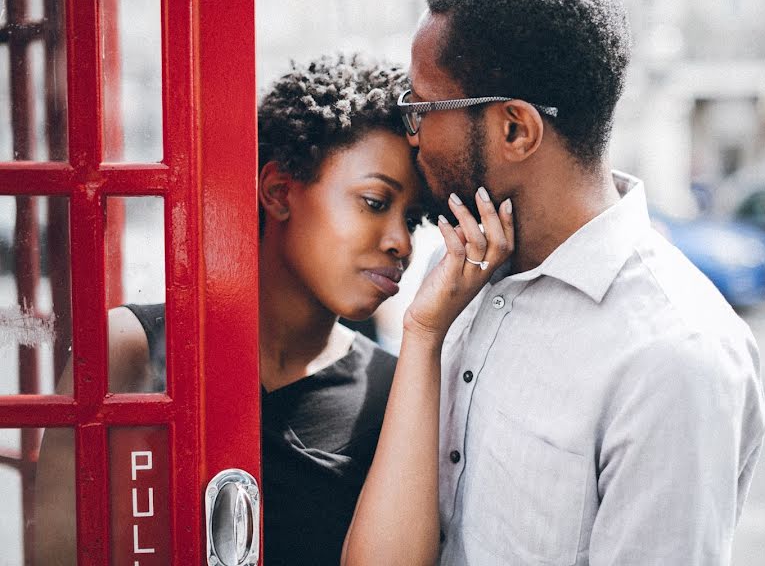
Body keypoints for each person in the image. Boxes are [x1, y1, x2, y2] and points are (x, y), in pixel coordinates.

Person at [34, 53, 513, 566]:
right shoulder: (133, 349)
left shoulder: (396, 391)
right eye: (375, 202)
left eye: (414, 219)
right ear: (279, 191)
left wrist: (424, 333)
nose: (401, 243)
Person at [380, 0, 765, 563]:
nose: (411, 136)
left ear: (515, 129)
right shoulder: (462, 276)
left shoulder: (674, 354)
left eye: (423, 109)